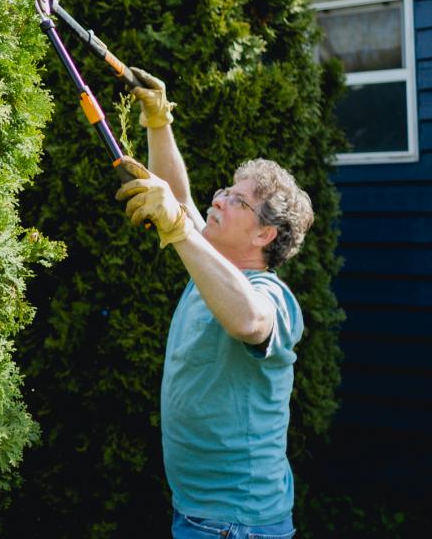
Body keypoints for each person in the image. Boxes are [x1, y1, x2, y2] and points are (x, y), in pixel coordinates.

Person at [115, 69, 314, 539]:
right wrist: (158, 121)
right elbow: (179, 200)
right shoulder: (210, 266)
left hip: (237, 525)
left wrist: (179, 227)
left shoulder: (272, 296)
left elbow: (250, 321)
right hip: (201, 515)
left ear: (264, 234)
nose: (219, 199)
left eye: (237, 201)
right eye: (226, 189)